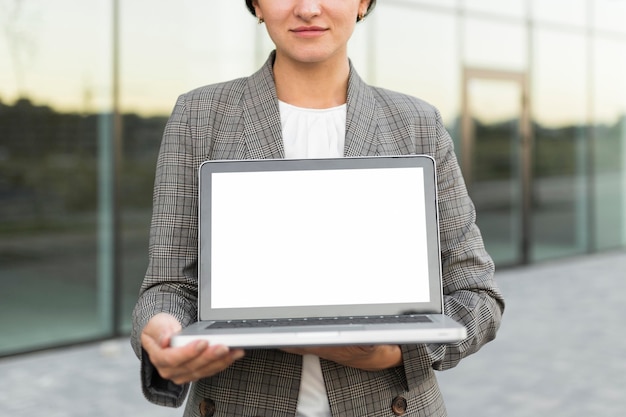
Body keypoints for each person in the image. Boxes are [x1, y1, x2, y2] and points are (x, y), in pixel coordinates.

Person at [131, 0, 505, 416]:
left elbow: (477, 296)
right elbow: (169, 286)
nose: (308, 8)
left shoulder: (417, 123)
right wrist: (163, 332)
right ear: (255, 4)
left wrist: (393, 353)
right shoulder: (199, 117)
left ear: (363, 3)